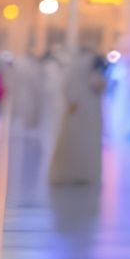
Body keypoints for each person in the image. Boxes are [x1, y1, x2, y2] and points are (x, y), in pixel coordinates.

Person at [47, 48, 105, 187]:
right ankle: (79, 173)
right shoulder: (89, 73)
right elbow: (99, 85)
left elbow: (67, 88)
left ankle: (78, 172)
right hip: (84, 113)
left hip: (78, 112)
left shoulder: (75, 72)